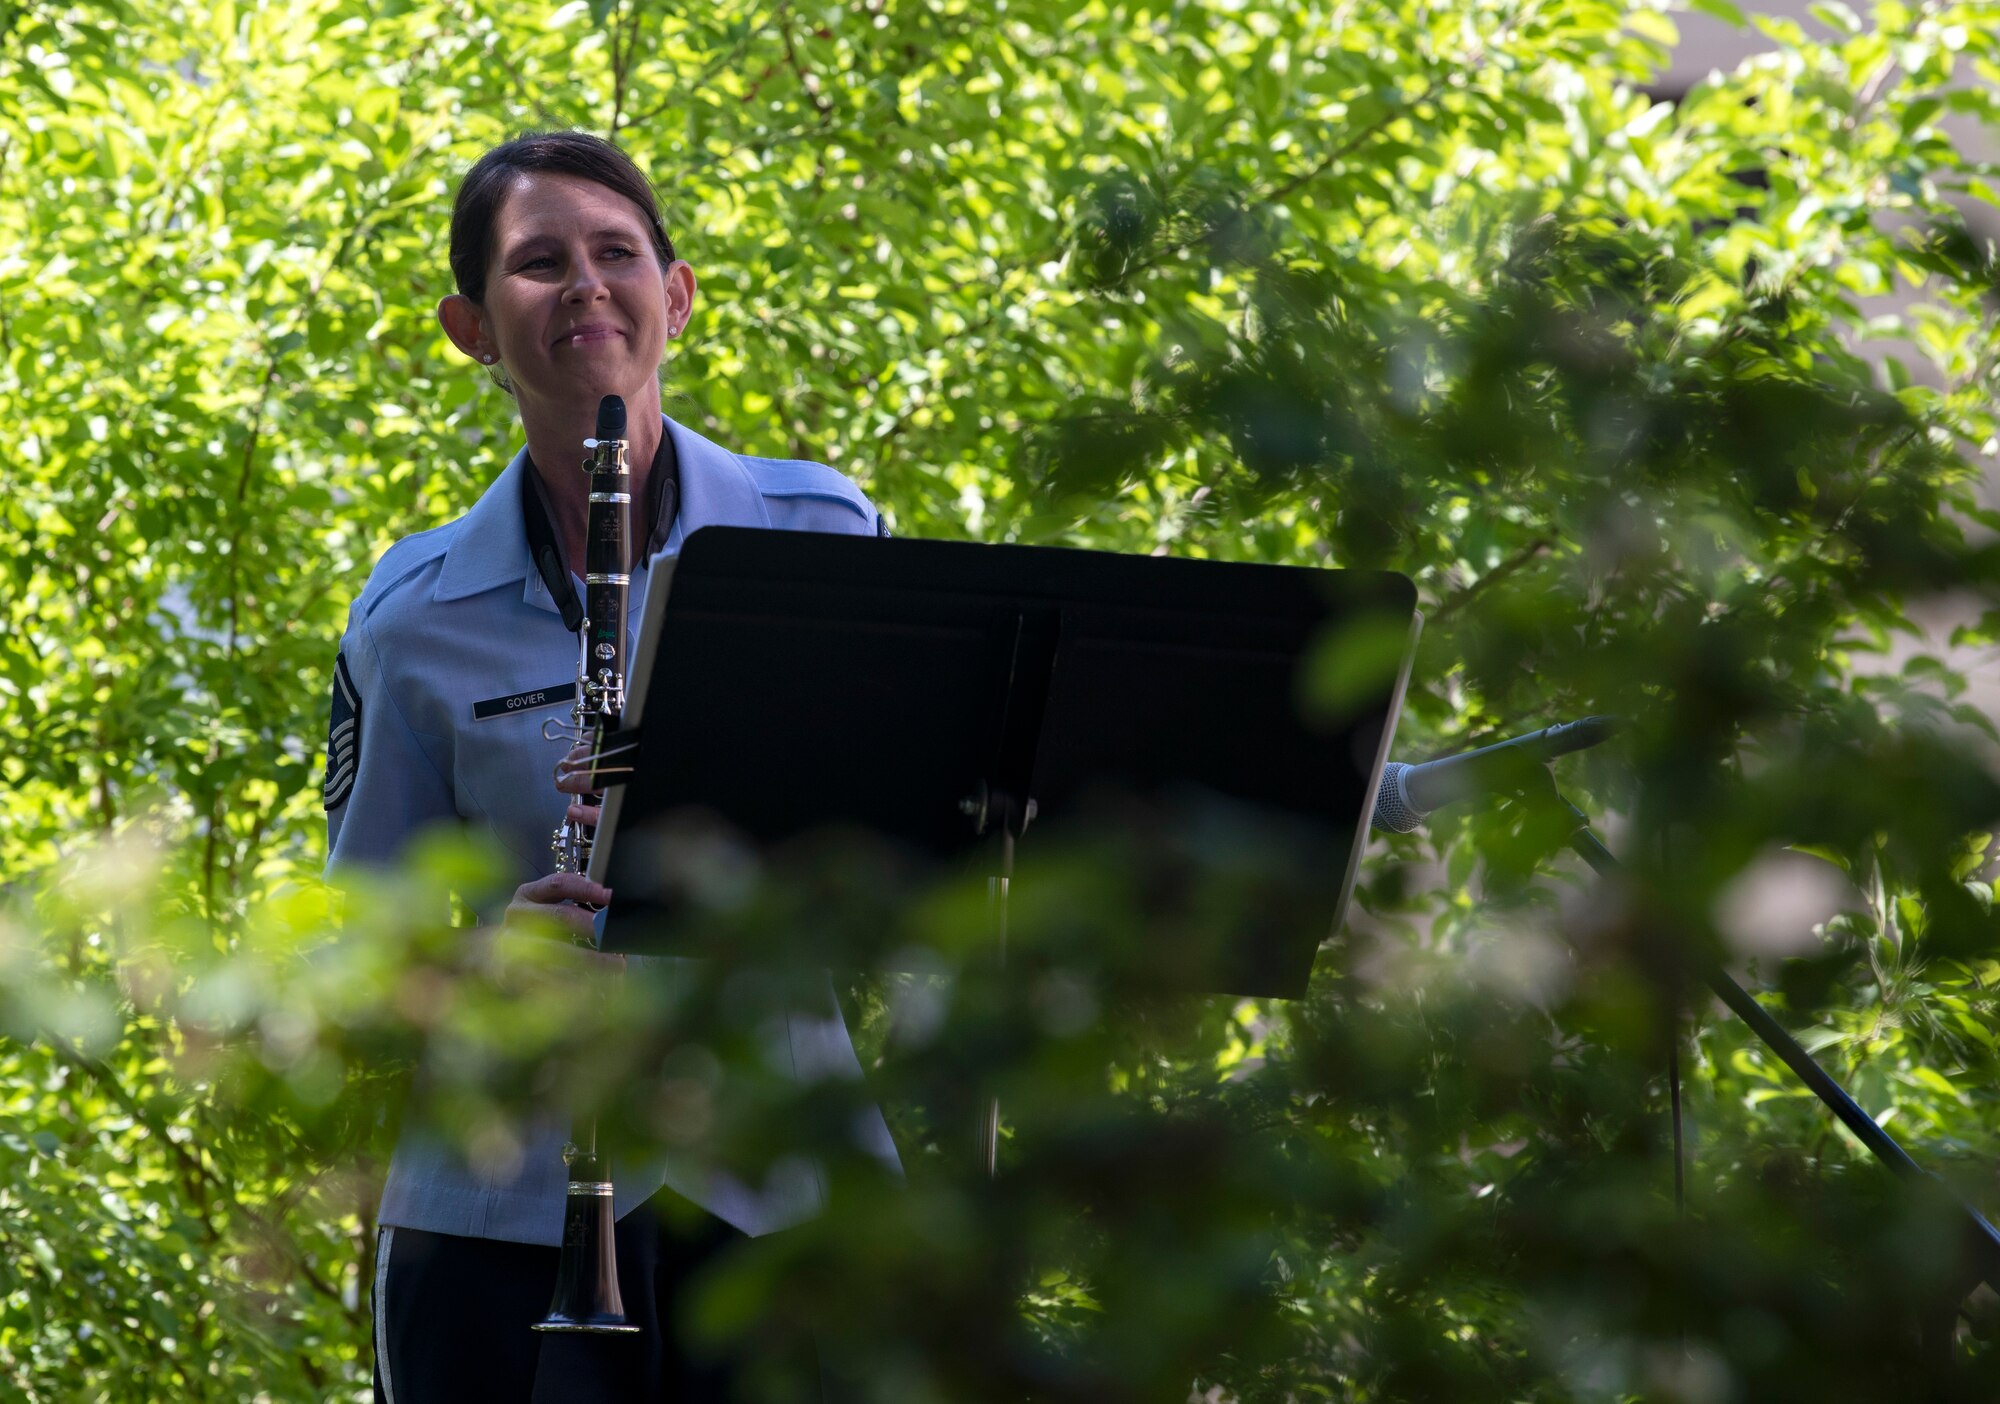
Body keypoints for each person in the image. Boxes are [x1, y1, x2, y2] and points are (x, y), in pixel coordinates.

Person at [324, 130, 898, 1403]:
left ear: (674, 295)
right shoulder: (411, 616)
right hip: (499, 1214)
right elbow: (350, 949)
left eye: (615, 253)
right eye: (537, 264)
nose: (583, 285)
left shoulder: (824, 536)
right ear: (471, 328)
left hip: (786, 1193)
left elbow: (905, 854)